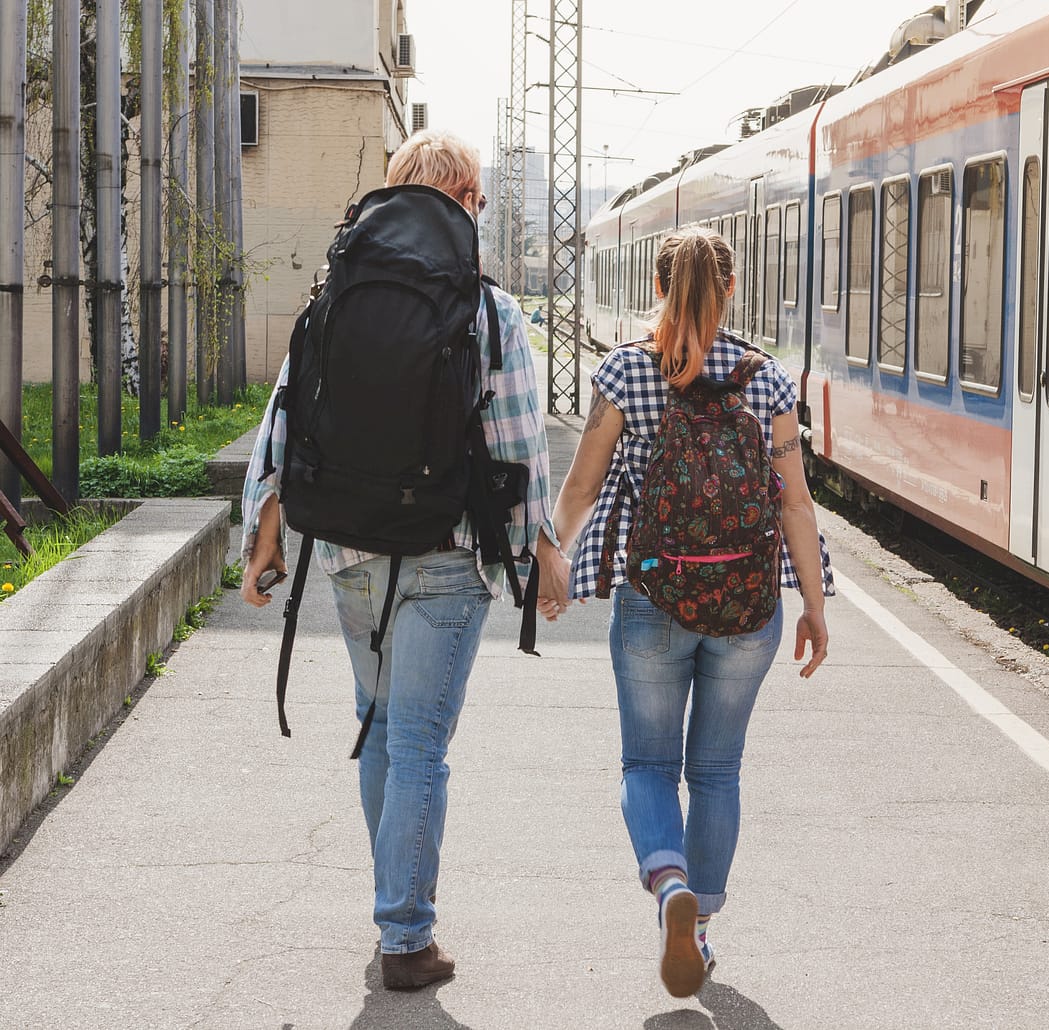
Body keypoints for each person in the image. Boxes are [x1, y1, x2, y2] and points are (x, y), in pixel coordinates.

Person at [240, 128, 569, 990]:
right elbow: (520, 447)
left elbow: (283, 420)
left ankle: (395, 911)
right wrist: (543, 555)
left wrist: (260, 534)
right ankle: (406, 938)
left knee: (382, 728)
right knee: (420, 742)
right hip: (447, 554)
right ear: (464, 198)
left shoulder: (335, 292)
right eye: (481, 201)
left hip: (347, 547)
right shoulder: (488, 309)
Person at [535, 225, 831, 998]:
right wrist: (815, 605)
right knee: (718, 771)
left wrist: (555, 560)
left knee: (648, 765)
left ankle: (670, 885)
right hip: (748, 604)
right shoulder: (766, 381)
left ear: (659, 288)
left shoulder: (627, 371)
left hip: (652, 598)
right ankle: (699, 931)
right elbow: (794, 502)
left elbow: (582, 487)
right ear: (730, 291)